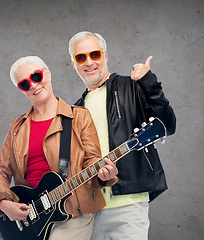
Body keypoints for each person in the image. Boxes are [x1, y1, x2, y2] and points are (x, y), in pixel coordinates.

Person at [0, 56, 118, 240]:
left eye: (36, 76)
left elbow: (92, 161)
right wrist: (3, 203)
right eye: (24, 84)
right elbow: (1, 169)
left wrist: (105, 175)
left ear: (48, 73)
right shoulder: (18, 126)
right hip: (29, 217)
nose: (33, 85)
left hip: (71, 211)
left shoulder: (78, 117)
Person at [68, 31, 177, 240]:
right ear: (74, 63)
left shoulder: (133, 86)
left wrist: (149, 82)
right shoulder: (76, 111)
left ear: (105, 56)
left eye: (95, 54)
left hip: (128, 205)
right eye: (81, 57)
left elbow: (168, 125)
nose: (89, 62)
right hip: (90, 211)